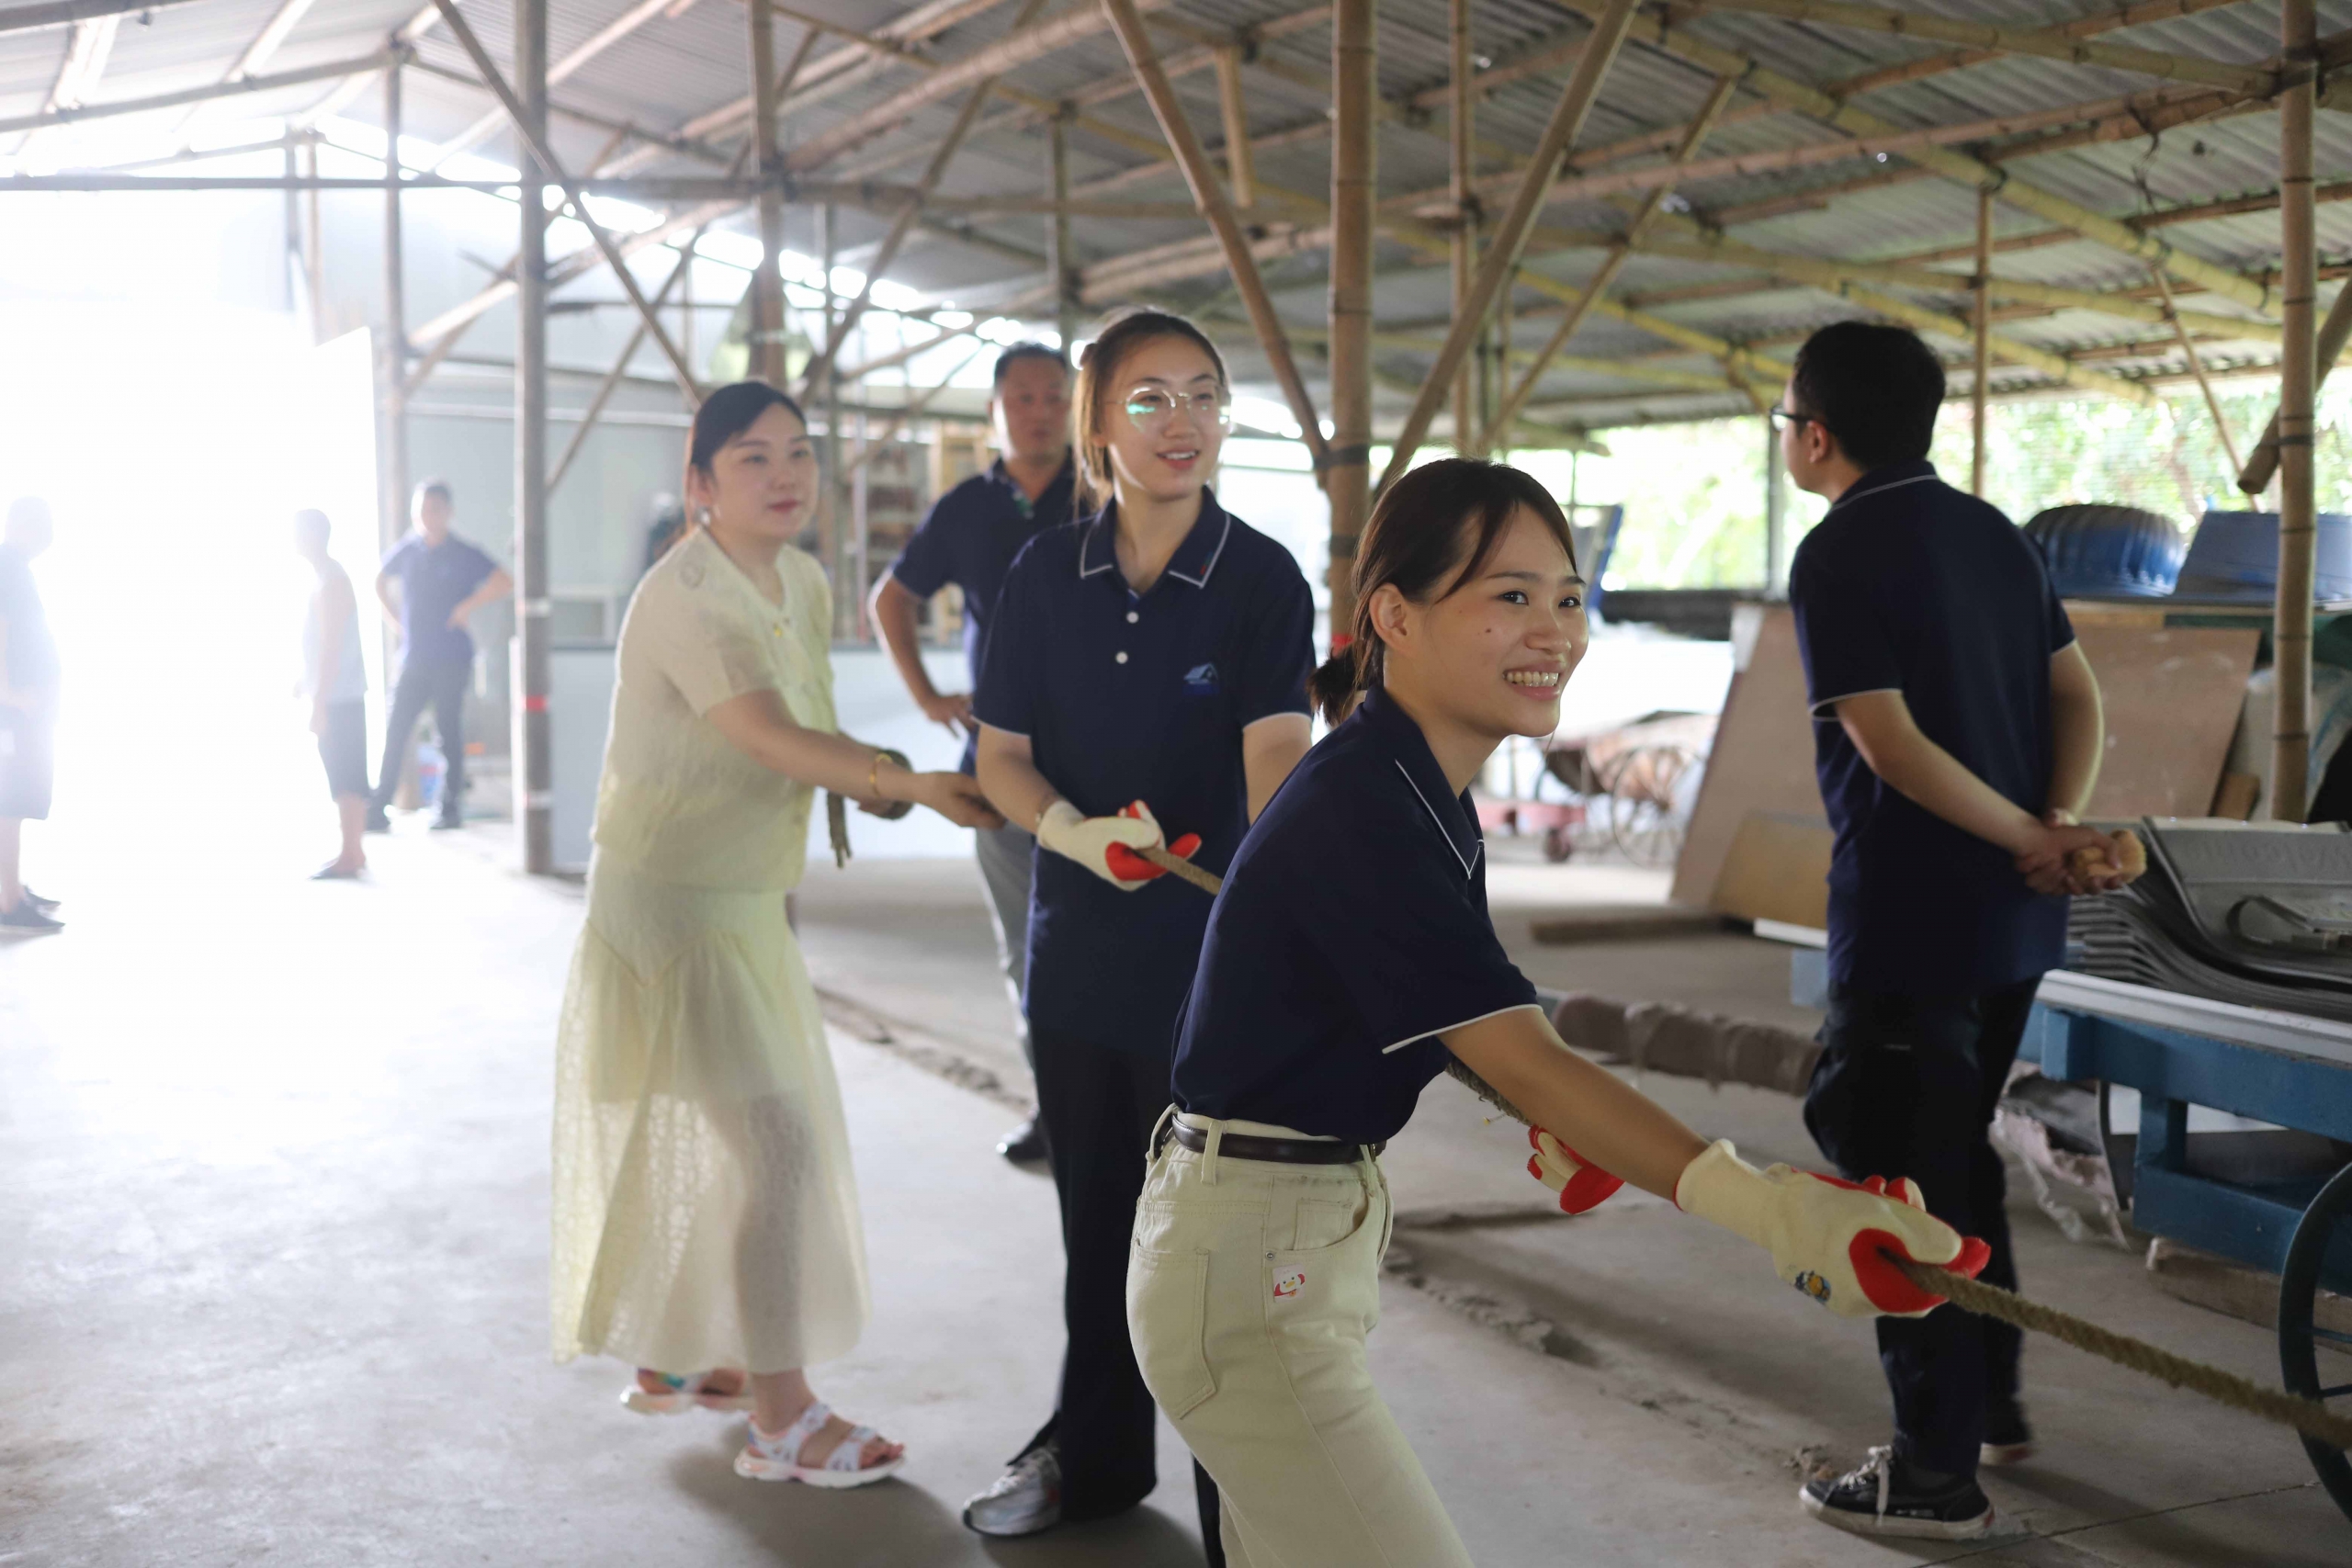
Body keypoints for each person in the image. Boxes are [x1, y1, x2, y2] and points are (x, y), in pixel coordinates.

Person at [1133, 456, 1991, 1566]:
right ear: (1394, 613)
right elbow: (1525, 1056)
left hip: (1274, 1249)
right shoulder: (1364, 807)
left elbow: (1450, 1016)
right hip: (1246, 1275)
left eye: (1568, 598)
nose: (1557, 633)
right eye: (1509, 597)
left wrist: (1557, 1117)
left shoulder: (1414, 786)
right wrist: (1777, 1209)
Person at [548, 380, 1001, 1486]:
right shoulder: (686, 595)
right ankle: (782, 1421)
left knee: (744, 1140)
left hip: (744, 900)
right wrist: (907, 782)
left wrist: (893, 786)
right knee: (780, 1146)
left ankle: (704, 1359)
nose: (785, 475)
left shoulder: (796, 578)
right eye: (751, 459)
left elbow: (809, 729)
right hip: (676, 905)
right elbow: (761, 733)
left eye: (798, 452)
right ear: (699, 485)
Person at [1773, 321, 2133, 1539]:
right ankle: (1990, 1406)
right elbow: (2079, 693)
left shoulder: (1836, 552)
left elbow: (1890, 743)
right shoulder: (1997, 534)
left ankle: (1932, 1471)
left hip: (1914, 914)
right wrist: (2053, 820)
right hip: (2011, 929)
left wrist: (2021, 833)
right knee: (1958, 1151)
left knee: (1895, 1173)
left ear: (1816, 434)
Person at [965, 309, 1315, 1555]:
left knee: (1216, 1260)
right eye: (1153, 398)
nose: (1185, 423)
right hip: (1075, 966)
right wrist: (1065, 831)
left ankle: (1249, 1515)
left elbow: (1278, 749)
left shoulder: (1263, 576)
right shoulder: (1041, 574)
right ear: (1100, 423)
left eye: (1206, 396)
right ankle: (1098, 1453)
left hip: (1210, 977)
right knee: (1098, 1230)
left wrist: (1292, 882)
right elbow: (999, 754)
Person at [872, 342, 1077, 1166]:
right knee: (1026, 941)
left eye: (1055, 396)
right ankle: (1056, 1110)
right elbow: (891, 598)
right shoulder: (965, 508)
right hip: (996, 756)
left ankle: (1139, 1111)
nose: (1039, 410)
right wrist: (927, 697)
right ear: (994, 410)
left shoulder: (1105, 494)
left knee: (1125, 938)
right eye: (1022, 396)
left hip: (1108, 755)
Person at [367, 480, 510, 832]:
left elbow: (505, 581)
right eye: (421, 511)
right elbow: (379, 580)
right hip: (414, 658)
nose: (426, 518)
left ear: (447, 512)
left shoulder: (462, 552)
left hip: (451, 657)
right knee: (397, 729)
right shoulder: (409, 550)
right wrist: (396, 621)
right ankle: (378, 806)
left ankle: (449, 808)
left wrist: (467, 606)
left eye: (433, 510)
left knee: (448, 731)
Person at [294, 510, 369, 880]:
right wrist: (303, 682)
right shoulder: (323, 577)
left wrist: (319, 702)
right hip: (334, 693)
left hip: (340, 697)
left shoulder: (332, 580)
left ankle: (351, 852)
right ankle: (351, 851)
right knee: (341, 772)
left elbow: (331, 646)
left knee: (346, 773)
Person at [0, 496, 62, 934]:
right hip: (11, 708)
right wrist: (8, 693)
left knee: (15, 802)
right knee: (10, 803)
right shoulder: (7, 564)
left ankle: (12, 889)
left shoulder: (14, 565)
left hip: (19, 706)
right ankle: (8, 903)